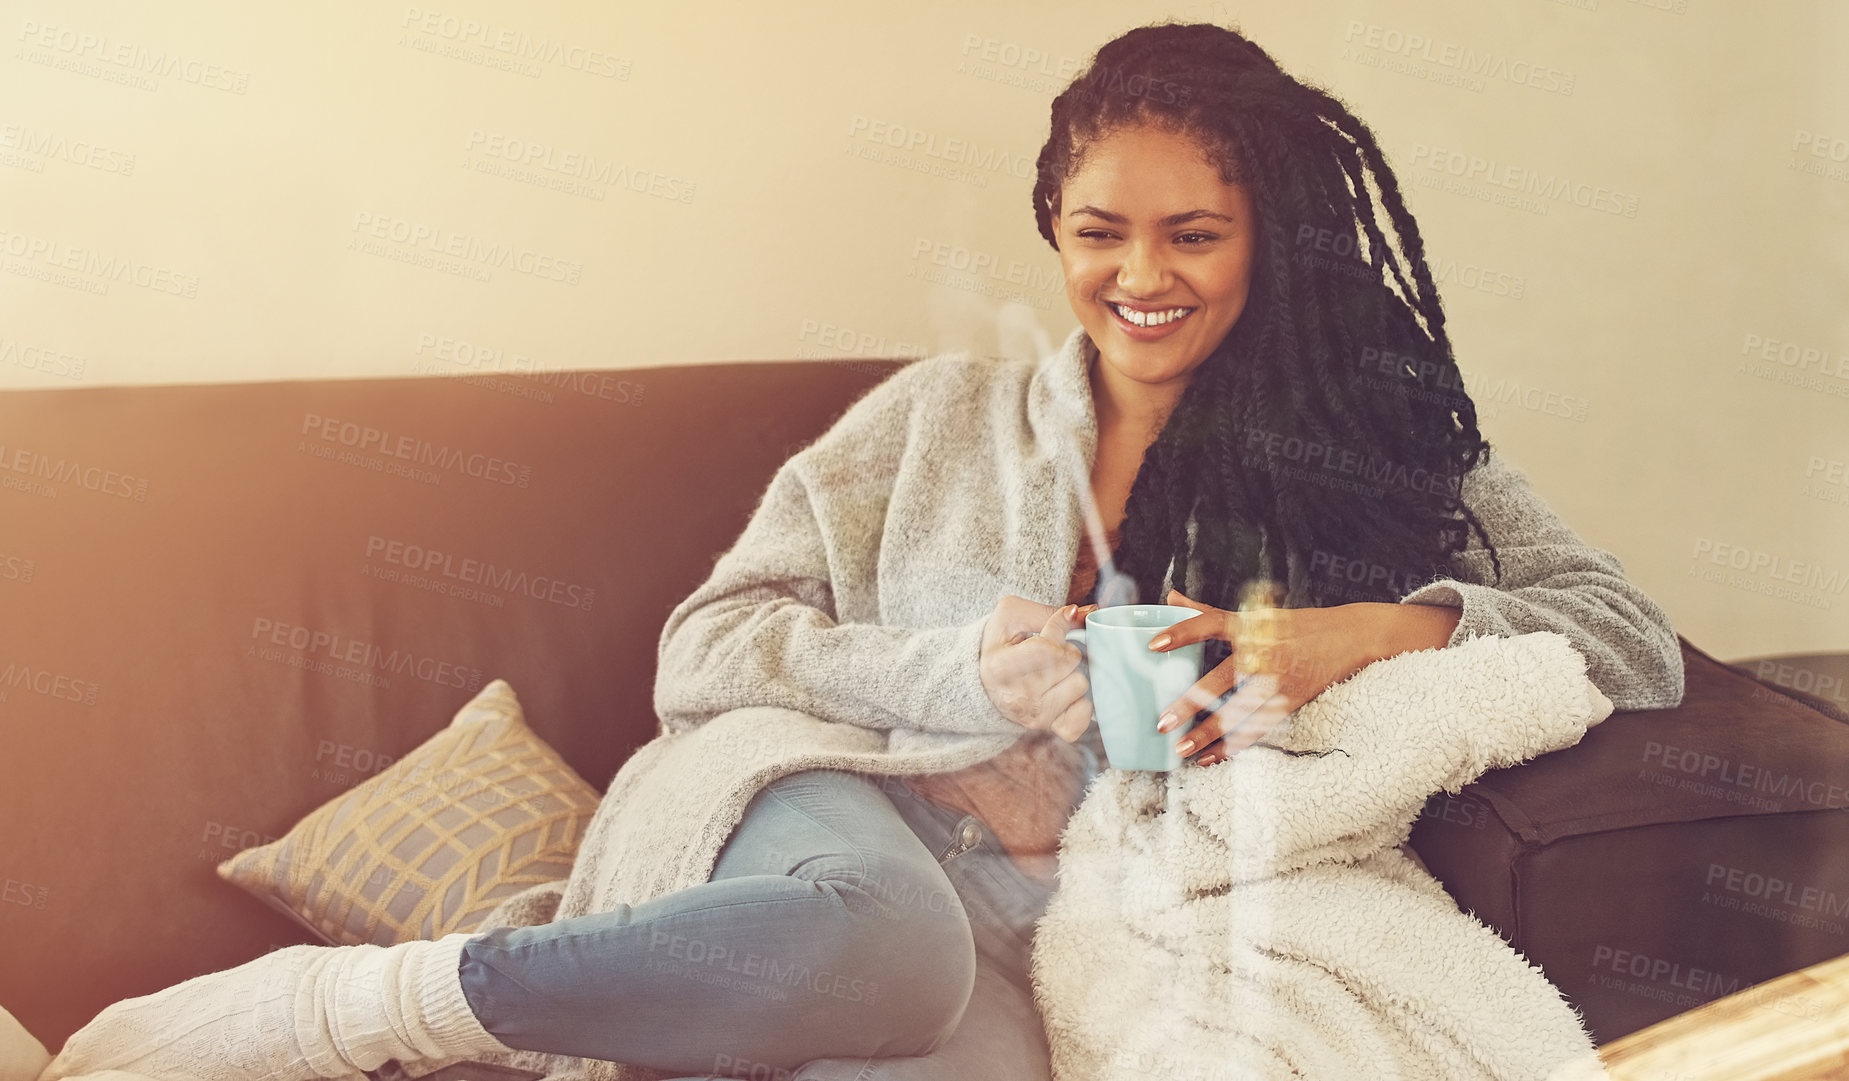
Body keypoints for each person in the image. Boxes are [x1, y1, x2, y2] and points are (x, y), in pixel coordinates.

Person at [39, 20, 1684, 1081]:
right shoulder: (936, 418)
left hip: (1072, 900)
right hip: (844, 801)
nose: (1141, 275)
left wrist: (1342, 637)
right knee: (869, 942)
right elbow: (709, 642)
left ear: (1274, 241)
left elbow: (1622, 634)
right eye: (1100, 231)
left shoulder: (1375, 451)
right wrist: (949, 664)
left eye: (1195, 232)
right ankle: (333, 1017)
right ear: (1053, 228)